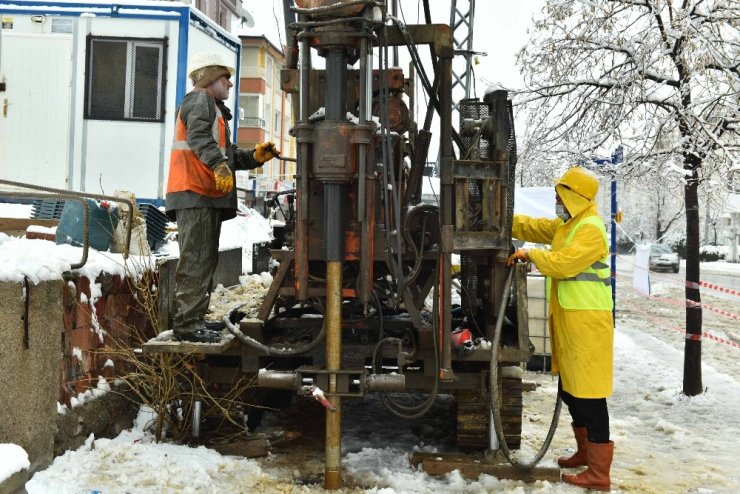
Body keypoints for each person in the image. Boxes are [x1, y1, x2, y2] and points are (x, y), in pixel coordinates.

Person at [508, 166, 614, 491]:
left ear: (575, 198)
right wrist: (500, 214)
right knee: (571, 391)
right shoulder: (569, 225)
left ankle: (599, 473)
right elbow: (536, 226)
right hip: (571, 320)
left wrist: (530, 254)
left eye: (560, 195)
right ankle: (584, 453)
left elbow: (565, 262)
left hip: (588, 323)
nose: (556, 200)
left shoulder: (590, 229)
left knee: (590, 396)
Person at [166, 51, 279, 343]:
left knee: (204, 261)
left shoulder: (213, 109)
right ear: (209, 78)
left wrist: (254, 157)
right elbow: (199, 139)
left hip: (202, 195)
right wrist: (218, 165)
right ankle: (187, 326)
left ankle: (194, 320)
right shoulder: (198, 100)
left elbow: (224, 155)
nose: (230, 84)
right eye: (225, 78)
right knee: (196, 261)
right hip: (194, 193)